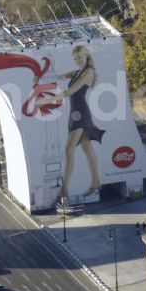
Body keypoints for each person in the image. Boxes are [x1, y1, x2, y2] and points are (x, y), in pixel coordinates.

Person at [37, 45, 103, 201]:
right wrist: (50, 77)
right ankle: (96, 182)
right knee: (87, 147)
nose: (78, 61)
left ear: (86, 55)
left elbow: (69, 92)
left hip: (80, 114)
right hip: (75, 113)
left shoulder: (88, 72)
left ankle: (64, 190)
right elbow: (64, 76)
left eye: (80, 57)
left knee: (69, 150)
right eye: (75, 59)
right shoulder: (79, 71)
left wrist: (47, 100)